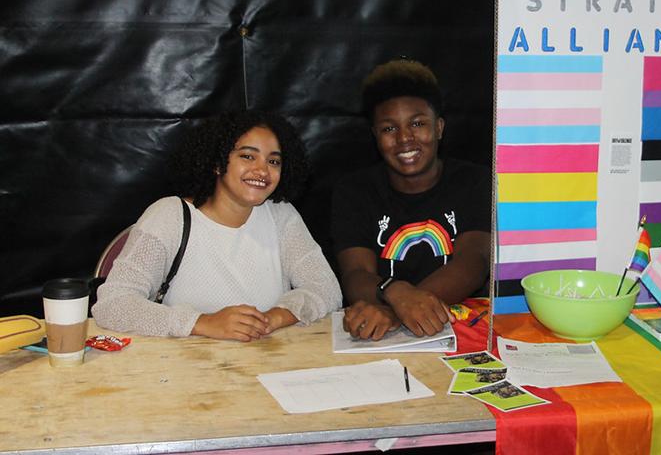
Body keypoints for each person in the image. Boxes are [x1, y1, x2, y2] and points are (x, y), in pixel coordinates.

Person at [92, 111, 342, 340]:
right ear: (217, 162)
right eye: (247, 156)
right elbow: (113, 304)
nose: (262, 170)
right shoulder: (169, 216)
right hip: (187, 371)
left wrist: (273, 317)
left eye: (273, 161)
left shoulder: (281, 215)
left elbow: (326, 288)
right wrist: (202, 323)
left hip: (268, 364)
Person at [331, 59, 490, 340]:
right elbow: (355, 274)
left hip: (462, 330)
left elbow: (474, 261)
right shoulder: (353, 190)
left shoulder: (474, 181)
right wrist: (395, 292)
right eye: (389, 129)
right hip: (382, 337)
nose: (405, 138)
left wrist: (399, 309)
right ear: (375, 136)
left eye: (417, 123)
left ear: (439, 127)